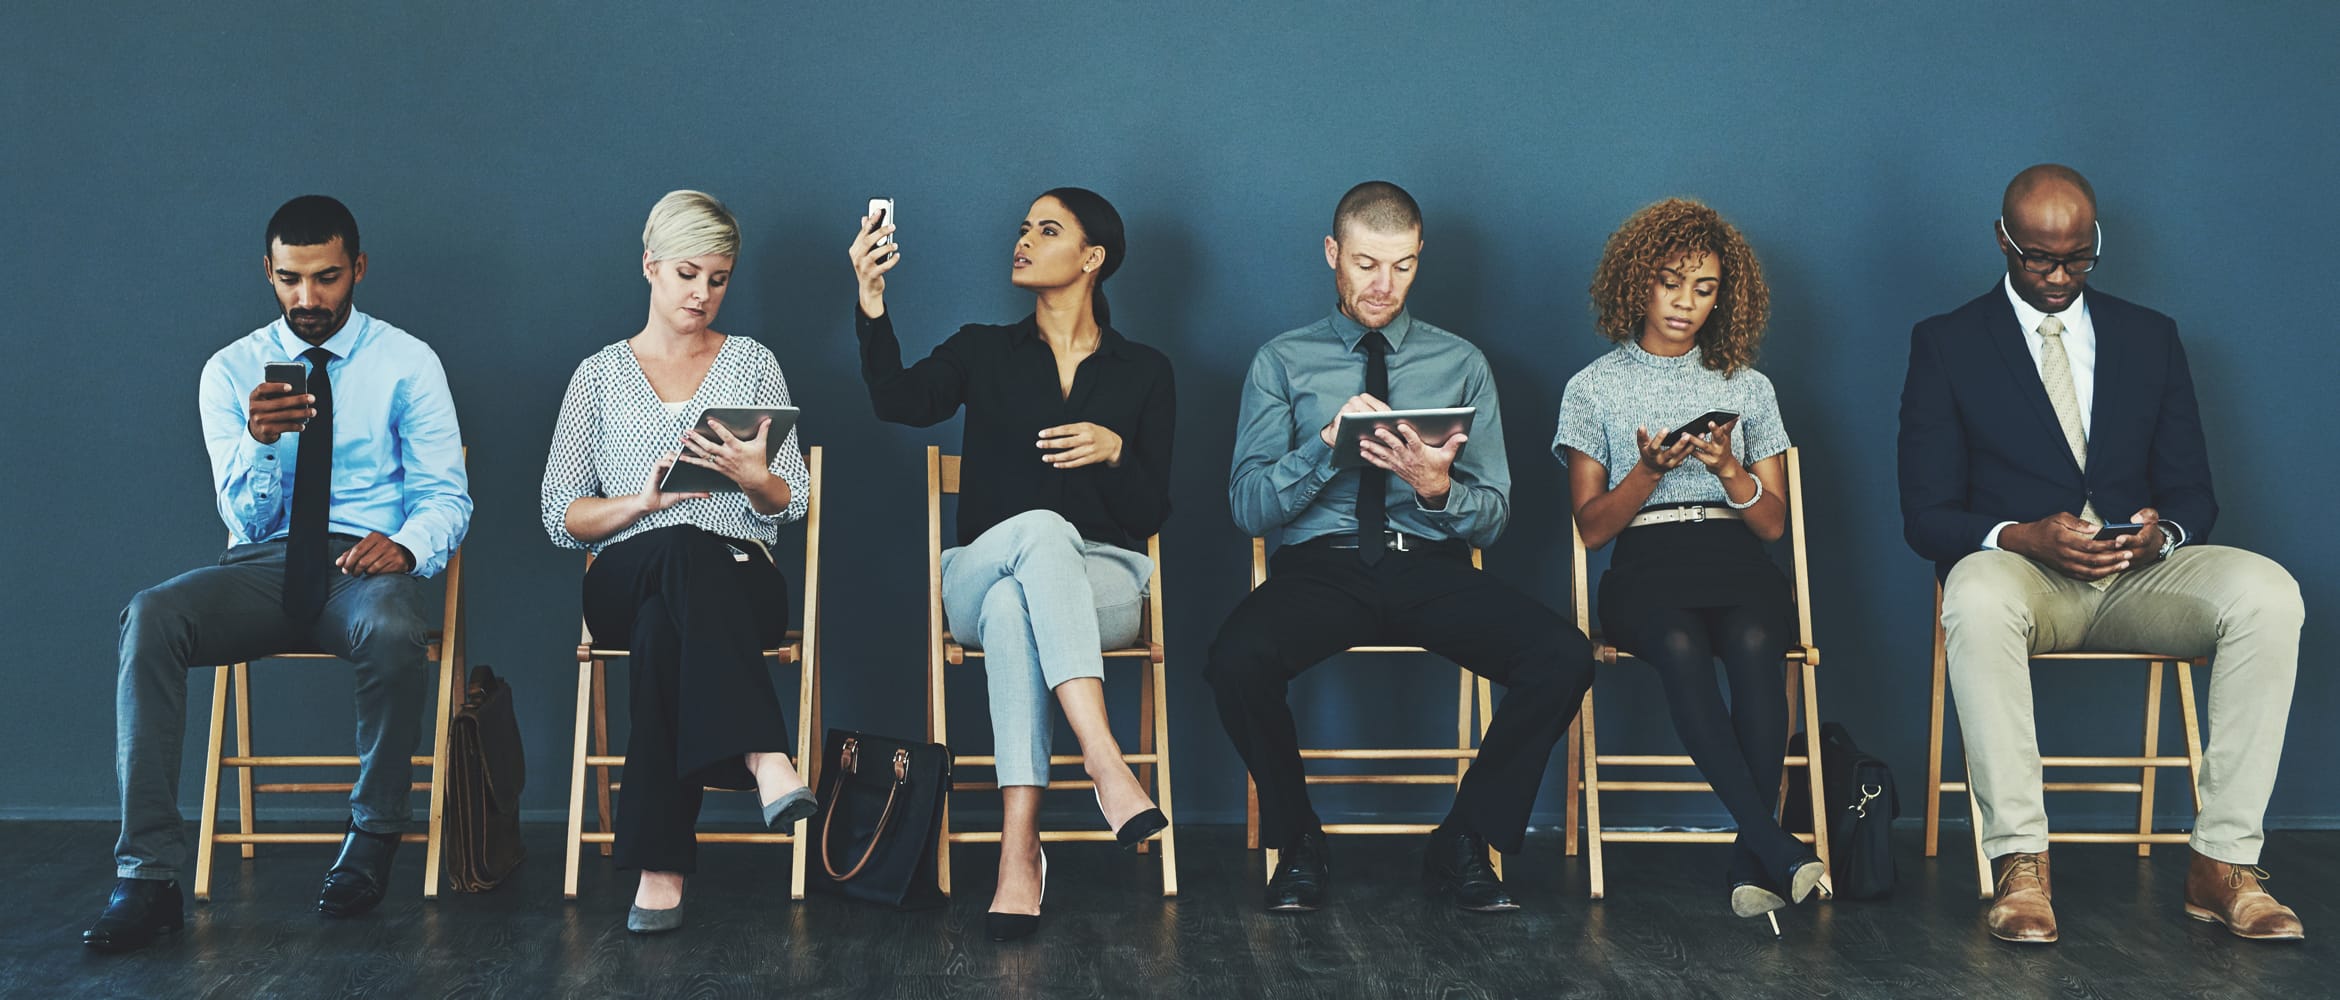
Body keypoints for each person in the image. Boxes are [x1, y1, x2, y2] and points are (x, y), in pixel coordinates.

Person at [1898, 164, 2305, 944]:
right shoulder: (1947, 344)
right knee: (1973, 594)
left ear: (2096, 246)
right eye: (2038, 259)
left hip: (2137, 577)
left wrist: (2164, 534)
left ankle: (2222, 862)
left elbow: (2195, 494)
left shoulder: (2150, 336)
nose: (2057, 277)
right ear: (2002, 241)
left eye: (2077, 260)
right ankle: (2020, 863)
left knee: (2270, 593)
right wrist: (2020, 536)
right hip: (2023, 577)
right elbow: (1926, 515)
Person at [85, 196, 472, 952]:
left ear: (357, 269)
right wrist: (261, 443)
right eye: (291, 279)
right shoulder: (229, 371)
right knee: (150, 615)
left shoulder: (407, 361)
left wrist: (405, 545)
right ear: (268, 272)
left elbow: (445, 495)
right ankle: (148, 875)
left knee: (395, 625)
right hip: (263, 565)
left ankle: (372, 834)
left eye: (327, 278)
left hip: (364, 564)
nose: (309, 299)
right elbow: (251, 523)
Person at [1206, 181, 1593, 914]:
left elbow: (1492, 520)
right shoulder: (1282, 361)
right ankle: (1299, 842)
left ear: (1420, 260)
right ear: (1333, 255)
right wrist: (1325, 446)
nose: (1384, 286)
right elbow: (1249, 509)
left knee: (1563, 656)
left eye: (1404, 266)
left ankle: (1465, 839)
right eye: (1365, 264)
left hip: (1429, 566)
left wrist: (1436, 486)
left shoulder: (1462, 363)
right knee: (1234, 661)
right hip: (1322, 568)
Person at [849, 187, 1173, 942]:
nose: (1023, 239)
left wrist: (1118, 450)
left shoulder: (1146, 372)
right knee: (1035, 534)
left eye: (1047, 229)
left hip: (1101, 581)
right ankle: (1103, 760)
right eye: (1024, 227)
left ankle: (1018, 851)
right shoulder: (979, 349)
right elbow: (897, 402)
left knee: (1014, 607)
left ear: (1093, 258)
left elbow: (1151, 513)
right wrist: (871, 299)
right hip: (980, 566)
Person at [541, 190, 814, 935]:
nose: (702, 293)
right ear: (650, 266)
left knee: (670, 623)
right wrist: (643, 504)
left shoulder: (753, 364)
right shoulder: (597, 376)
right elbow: (560, 514)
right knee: (675, 544)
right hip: (625, 575)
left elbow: (794, 501)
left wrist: (758, 478)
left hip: (740, 578)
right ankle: (763, 754)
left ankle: (660, 869)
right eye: (689, 274)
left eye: (719, 278)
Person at [1555, 198, 1823, 923]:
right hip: (1647, 562)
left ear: (1723, 296)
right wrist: (1645, 472)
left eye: (1704, 288)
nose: (1685, 303)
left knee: (1757, 639)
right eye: (1671, 282)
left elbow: (1771, 525)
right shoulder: (1593, 388)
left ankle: (1752, 855)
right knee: (1676, 643)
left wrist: (1731, 467)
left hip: (1731, 553)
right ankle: (1775, 843)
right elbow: (1590, 531)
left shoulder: (1748, 386)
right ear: (1637, 281)